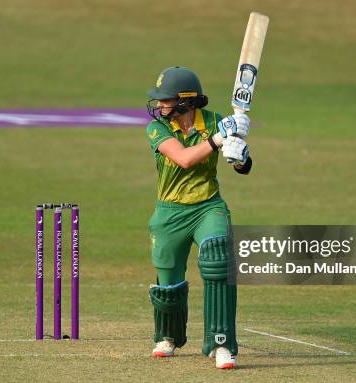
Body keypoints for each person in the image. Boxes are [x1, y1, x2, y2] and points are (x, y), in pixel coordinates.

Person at [145, 66, 252, 369]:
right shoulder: (157, 129)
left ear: (185, 101)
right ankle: (167, 337)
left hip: (208, 207)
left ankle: (221, 344)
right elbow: (184, 159)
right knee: (168, 280)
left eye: (165, 100)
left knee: (218, 260)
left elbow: (242, 166)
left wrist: (240, 156)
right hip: (170, 212)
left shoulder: (217, 121)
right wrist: (219, 139)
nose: (160, 106)